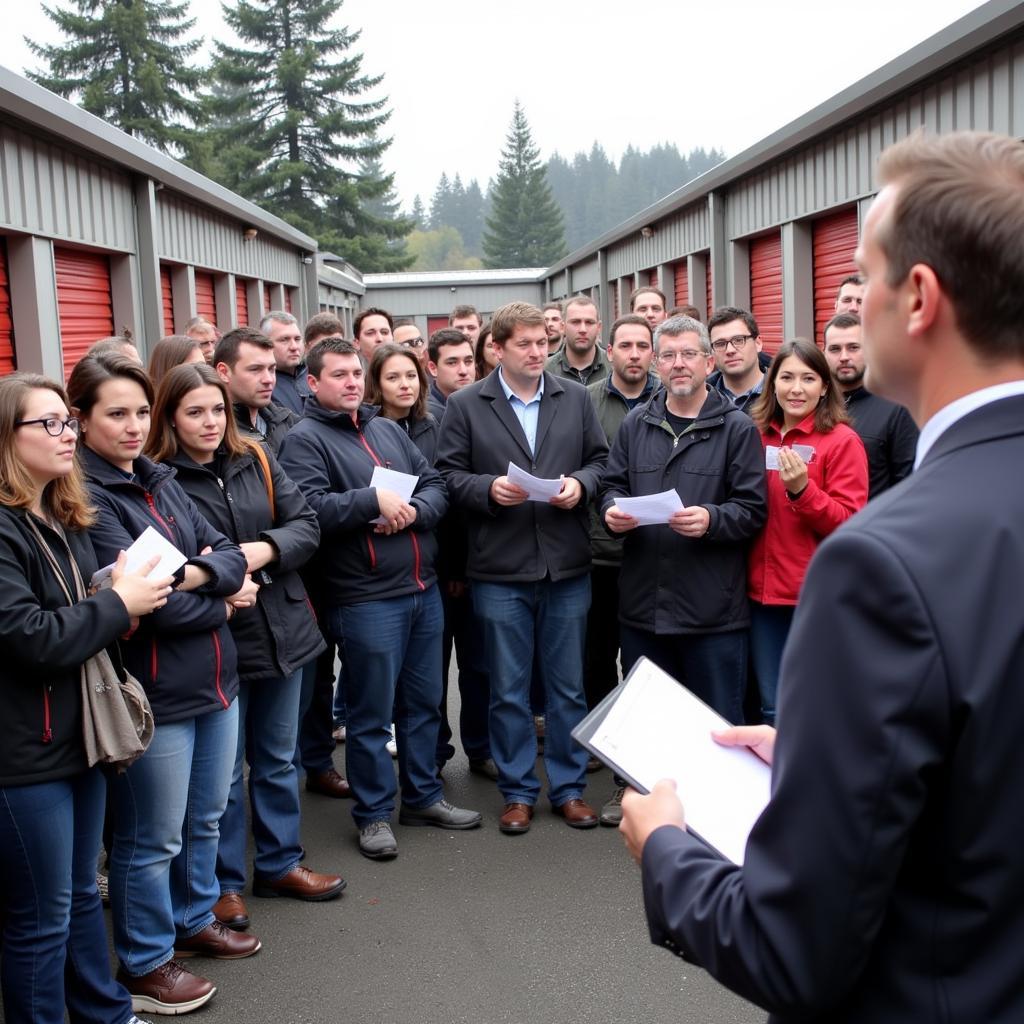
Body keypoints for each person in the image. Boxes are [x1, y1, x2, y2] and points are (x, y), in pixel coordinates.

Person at [620, 128, 1024, 1024]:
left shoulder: (886, 561)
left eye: (864, 276)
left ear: (917, 297)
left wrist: (669, 852)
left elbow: (794, 948)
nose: (849, 311)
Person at [68, 353, 256, 1016]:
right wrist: (216, 592)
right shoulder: (87, 501)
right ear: (81, 420)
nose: (131, 425)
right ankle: (146, 960)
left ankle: (194, 919)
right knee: (152, 837)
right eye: (114, 413)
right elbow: (146, 608)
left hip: (216, 680)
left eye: (140, 412)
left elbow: (227, 553)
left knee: (204, 819)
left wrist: (201, 578)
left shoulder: (162, 479)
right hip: (155, 696)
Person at [147, 363, 345, 933]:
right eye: (194, 412)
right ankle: (223, 885)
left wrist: (255, 553)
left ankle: (281, 862)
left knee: (278, 758)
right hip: (218, 638)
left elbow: (306, 524)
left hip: (284, 628)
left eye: (217, 409)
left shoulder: (255, 457)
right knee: (224, 776)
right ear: (170, 417)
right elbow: (168, 565)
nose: (210, 422)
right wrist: (223, 578)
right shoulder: (160, 479)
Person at [0, 372, 172, 1024]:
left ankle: (104, 1012)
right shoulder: (3, 526)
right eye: (48, 424)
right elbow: (28, 637)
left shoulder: (61, 511)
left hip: (81, 738)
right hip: (24, 754)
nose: (66, 433)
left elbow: (72, 615)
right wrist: (115, 603)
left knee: (75, 897)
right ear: (5, 438)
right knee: (38, 918)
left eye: (66, 421)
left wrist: (115, 596)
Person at [278, 338, 481, 860]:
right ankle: (372, 815)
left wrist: (416, 511)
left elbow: (434, 482)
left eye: (354, 373)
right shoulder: (304, 440)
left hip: (421, 588)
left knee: (422, 706)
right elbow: (310, 509)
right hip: (364, 597)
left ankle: (422, 797)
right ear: (313, 383)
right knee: (371, 717)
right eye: (338, 375)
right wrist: (372, 501)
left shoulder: (386, 427)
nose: (350, 383)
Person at [437, 301, 608, 835]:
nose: (538, 353)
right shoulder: (467, 404)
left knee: (567, 688)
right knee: (507, 688)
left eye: (543, 344)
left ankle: (569, 788)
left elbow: (602, 462)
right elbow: (446, 477)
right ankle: (517, 791)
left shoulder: (575, 397)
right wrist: (487, 489)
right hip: (500, 568)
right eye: (526, 345)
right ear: (498, 348)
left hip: (566, 565)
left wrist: (581, 485)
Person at [601, 314, 766, 727]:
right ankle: (638, 793)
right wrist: (611, 513)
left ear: (709, 363)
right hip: (643, 606)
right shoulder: (636, 424)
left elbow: (753, 509)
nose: (679, 363)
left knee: (715, 725)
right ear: (658, 363)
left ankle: (714, 796)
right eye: (670, 355)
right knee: (648, 721)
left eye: (689, 354)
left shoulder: (737, 429)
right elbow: (611, 486)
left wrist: (711, 519)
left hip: (712, 611)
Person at [745, 338, 867, 724]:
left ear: (825, 386)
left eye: (808, 378)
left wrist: (803, 491)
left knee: (815, 704)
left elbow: (850, 523)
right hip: (758, 595)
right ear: (772, 383)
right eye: (787, 377)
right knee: (771, 707)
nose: (796, 389)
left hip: (813, 595)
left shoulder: (842, 442)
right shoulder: (753, 434)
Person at [822, 312, 918, 496]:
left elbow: (908, 485)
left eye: (853, 348)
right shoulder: (813, 404)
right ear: (823, 353)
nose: (844, 357)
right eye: (835, 349)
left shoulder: (897, 408)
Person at [213, 327, 297, 455]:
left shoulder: (289, 422)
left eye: (271, 369)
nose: (268, 379)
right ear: (223, 372)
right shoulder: (214, 436)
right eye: (255, 369)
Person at [366, 342, 438, 465]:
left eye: (411, 376)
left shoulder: (429, 424)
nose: (405, 385)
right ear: (376, 384)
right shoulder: (366, 429)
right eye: (393, 378)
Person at [707, 307, 768, 413]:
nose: (730, 350)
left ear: (758, 343)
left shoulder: (782, 394)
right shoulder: (700, 398)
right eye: (720, 344)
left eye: (739, 340)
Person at [546, 295, 609, 387]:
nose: (582, 329)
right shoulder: (545, 371)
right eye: (575, 322)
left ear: (599, 327)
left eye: (589, 322)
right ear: (563, 327)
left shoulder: (614, 367)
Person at [262, 311, 310, 416]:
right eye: (284, 340)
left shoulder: (315, 373)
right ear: (265, 344)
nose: (294, 347)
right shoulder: (263, 386)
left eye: (297, 339)